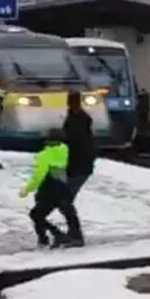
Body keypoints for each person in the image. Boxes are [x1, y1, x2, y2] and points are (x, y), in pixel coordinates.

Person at [20, 128, 83, 248]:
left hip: (48, 190)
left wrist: (27, 189)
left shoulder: (44, 155)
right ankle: (66, 236)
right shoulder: (65, 150)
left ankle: (52, 236)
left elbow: (38, 176)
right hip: (63, 188)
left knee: (36, 215)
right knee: (68, 212)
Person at [62, 91, 96, 233]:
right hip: (82, 165)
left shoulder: (74, 120)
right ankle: (74, 232)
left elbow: (75, 143)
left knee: (65, 200)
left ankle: (75, 233)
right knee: (65, 200)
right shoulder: (81, 118)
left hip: (78, 165)